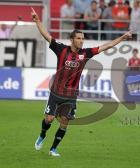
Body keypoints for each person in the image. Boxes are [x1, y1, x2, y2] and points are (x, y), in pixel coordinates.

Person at [31, 7, 132, 157]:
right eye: (79, 38)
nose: (81, 41)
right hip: (56, 92)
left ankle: (53, 149)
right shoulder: (61, 50)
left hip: (71, 95)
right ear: (72, 40)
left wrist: (122, 38)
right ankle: (42, 135)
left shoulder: (86, 53)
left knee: (64, 122)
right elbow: (47, 36)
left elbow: (107, 46)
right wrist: (37, 21)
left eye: (83, 38)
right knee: (49, 119)